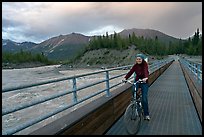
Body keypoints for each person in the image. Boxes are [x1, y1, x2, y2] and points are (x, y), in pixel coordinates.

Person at [123, 53, 150, 121]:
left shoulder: (145, 64)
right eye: (137, 59)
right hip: (137, 81)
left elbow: (146, 71)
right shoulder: (135, 66)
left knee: (144, 99)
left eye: (139, 59)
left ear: (142, 59)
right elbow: (131, 72)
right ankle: (137, 102)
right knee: (133, 91)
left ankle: (146, 114)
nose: (138, 60)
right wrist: (125, 78)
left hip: (144, 82)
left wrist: (146, 78)